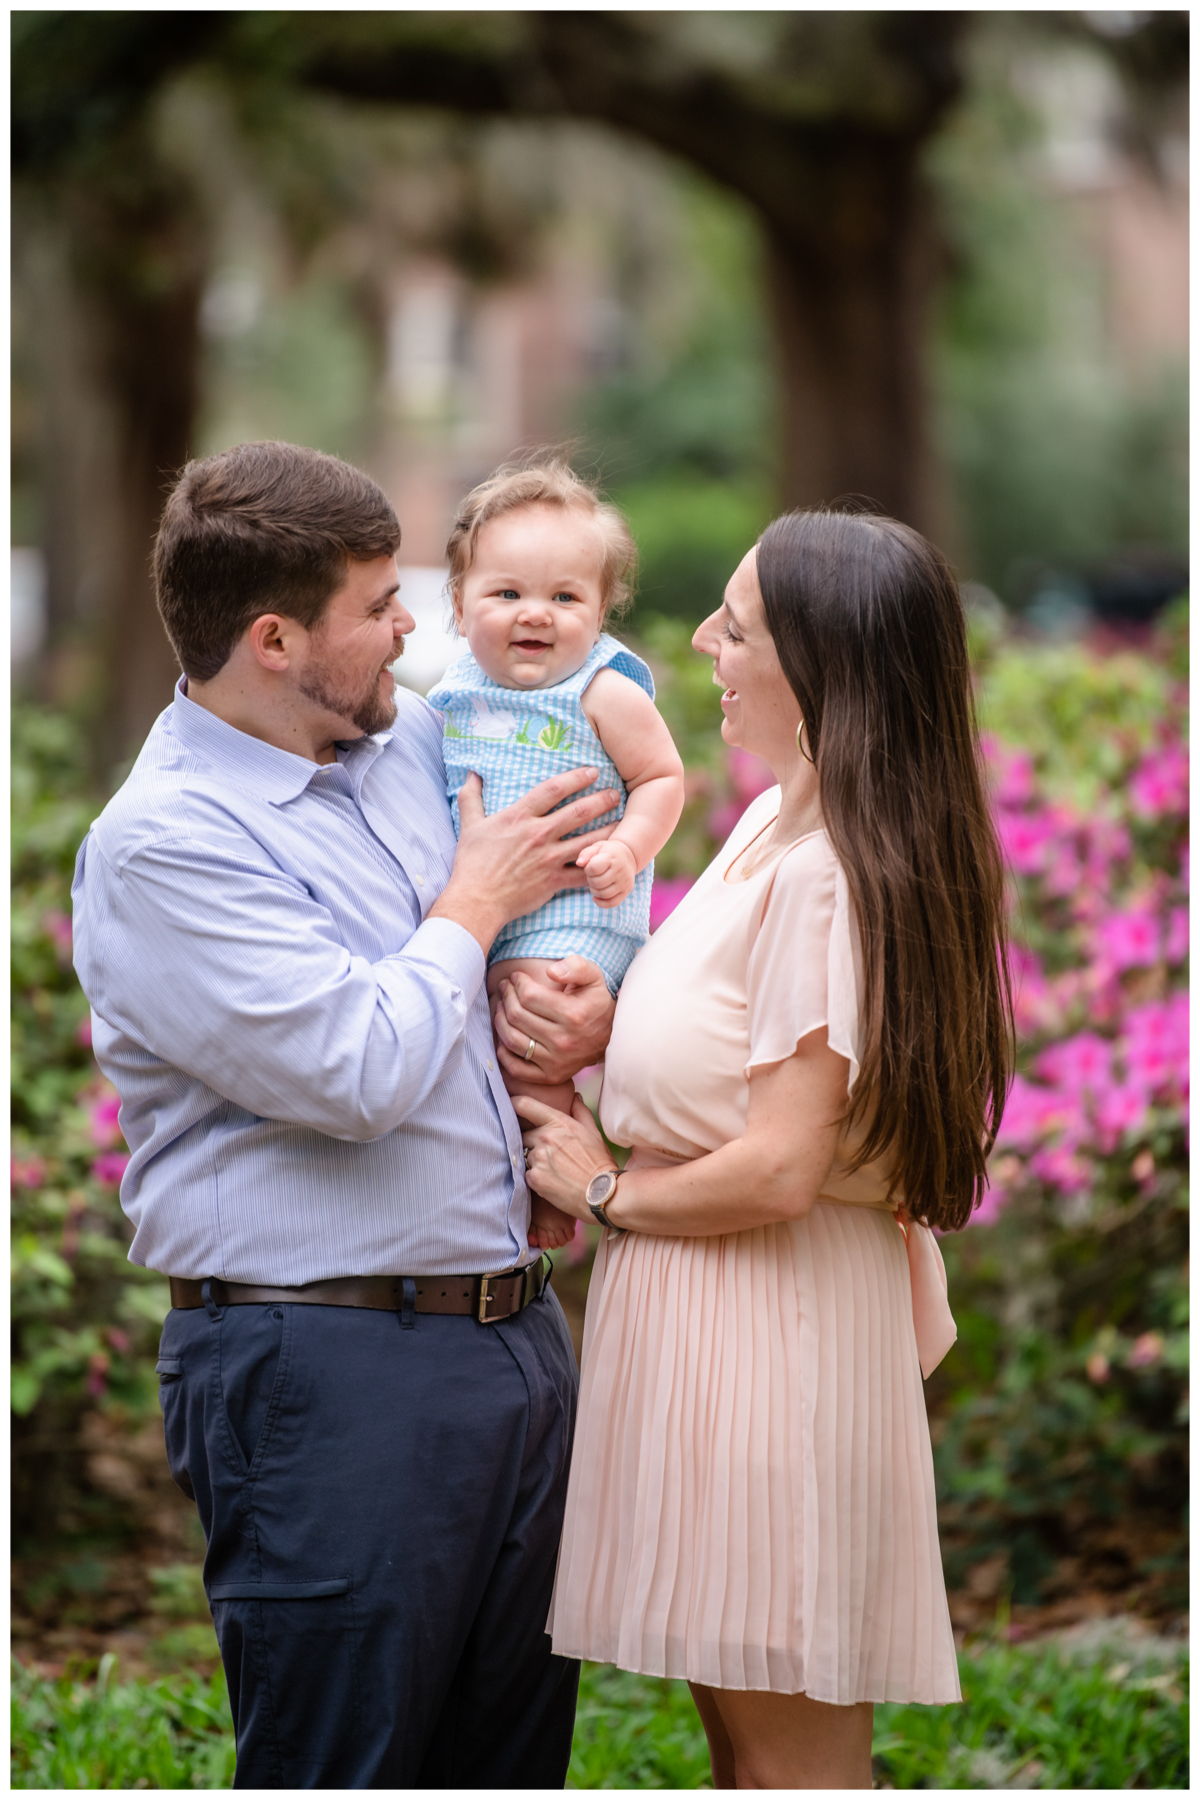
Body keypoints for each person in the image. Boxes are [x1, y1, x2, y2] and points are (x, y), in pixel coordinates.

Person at [70, 439, 620, 1789]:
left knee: (505, 1767)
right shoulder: (169, 845)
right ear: (273, 638)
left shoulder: (407, 743)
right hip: (322, 1372)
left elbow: (528, 938)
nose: (412, 628)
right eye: (378, 607)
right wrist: (471, 904)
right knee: (347, 1767)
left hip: (512, 1342)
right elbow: (354, 1073)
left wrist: (579, 1006)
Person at [510, 505, 1014, 1789]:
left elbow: (785, 1165)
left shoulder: (826, 870)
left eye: (735, 627)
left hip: (766, 1345)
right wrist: (613, 1027)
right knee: (745, 1752)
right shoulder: (768, 829)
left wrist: (601, 1187)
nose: (700, 645)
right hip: (713, 1332)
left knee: (792, 1763)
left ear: (821, 664)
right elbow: (752, 1066)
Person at [427, 457, 685, 1250]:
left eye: (565, 597)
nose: (534, 613)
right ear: (460, 603)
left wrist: (630, 847)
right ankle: (543, 1172)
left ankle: (553, 1192)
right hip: (488, 916)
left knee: (529, 1048)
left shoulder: (603, 692)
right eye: (506, 593)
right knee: (491, 1055)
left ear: (601, 611)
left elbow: (662, 778)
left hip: (576, 916)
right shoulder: (450, 696)